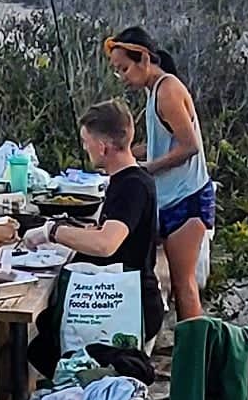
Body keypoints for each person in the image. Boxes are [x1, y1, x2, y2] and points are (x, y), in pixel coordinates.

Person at [104, 26, 213, 322]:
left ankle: (196, 346)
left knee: (183, 284)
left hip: (187, 198)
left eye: (124, 68)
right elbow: (161, 143)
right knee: (173, 280)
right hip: (168, 197)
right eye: (117, 71)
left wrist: (145, 169)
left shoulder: (168, 90)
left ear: (143, 59)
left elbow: (189, 146)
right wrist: (123, 153)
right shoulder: (153, 92)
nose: (122, 77)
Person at [42, 99, 161, 290]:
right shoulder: (126, 179)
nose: (84, 148)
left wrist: (52, 231)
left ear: (102, 147)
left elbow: (105, 244)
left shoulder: (133, 186)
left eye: (86, 142)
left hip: (127, 296)